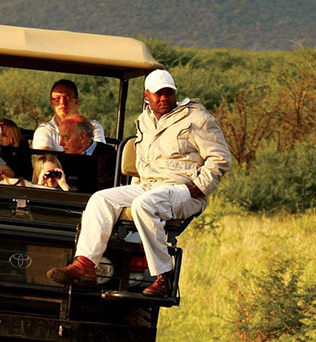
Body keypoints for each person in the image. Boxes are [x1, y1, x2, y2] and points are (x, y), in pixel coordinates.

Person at [47, 69, 232, 297]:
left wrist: (197, 187)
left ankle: (164, 276)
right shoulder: (145, 120)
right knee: (100, 199)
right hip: (151, 185)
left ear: (174, 93)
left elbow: (220, 159)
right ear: (147, 95)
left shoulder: (197, 118)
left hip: (183, 188)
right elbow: (143, 163)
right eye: (158, 94)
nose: (164, 98)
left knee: (144, 204)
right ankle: (86, 263)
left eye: (168, 93)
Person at [32, 79, 105, 151]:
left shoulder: (93, 127)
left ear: (76, 101)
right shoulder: (44, 131)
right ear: (52, 103)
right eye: (57, 99)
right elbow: (45, 160)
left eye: (67, 98)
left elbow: (99, 154)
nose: (62, 103)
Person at [57, 114, 116, 192]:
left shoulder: (107, 155)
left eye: (65, 137)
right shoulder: (60, 157)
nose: (60, 143)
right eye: (60, 137)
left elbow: (104, 189)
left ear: (82, 137)